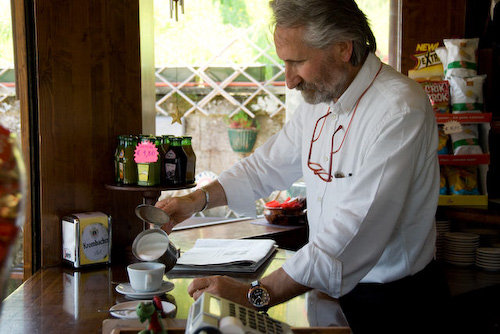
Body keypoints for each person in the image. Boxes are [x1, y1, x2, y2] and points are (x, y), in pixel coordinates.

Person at [155, 0, 450, 332]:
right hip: (328, 293)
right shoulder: (322, 98)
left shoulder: (399, 109)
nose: (290, 80)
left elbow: (354, 230)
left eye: (297, 62)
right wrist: (193, 201)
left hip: (395, 305)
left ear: (343, 48)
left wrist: (256, 294)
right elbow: (263, 167)